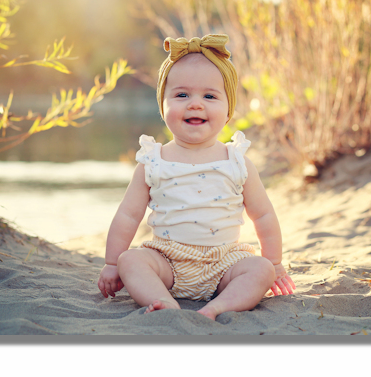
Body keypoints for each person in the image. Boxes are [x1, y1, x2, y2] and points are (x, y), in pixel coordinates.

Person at [97, 34, 295, 320]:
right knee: (131, 261)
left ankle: (217, 307)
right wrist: (112, 263)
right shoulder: (153, 161)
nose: (195, 104)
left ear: (229, 108)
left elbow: (263, 215)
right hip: (166, 260)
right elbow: (128, 216)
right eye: (181, 95)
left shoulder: (237, 161)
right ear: (162, 104)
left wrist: (275, 262)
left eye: (210, 96)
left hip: (225, 261)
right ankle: (163, 301)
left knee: (260, 269)